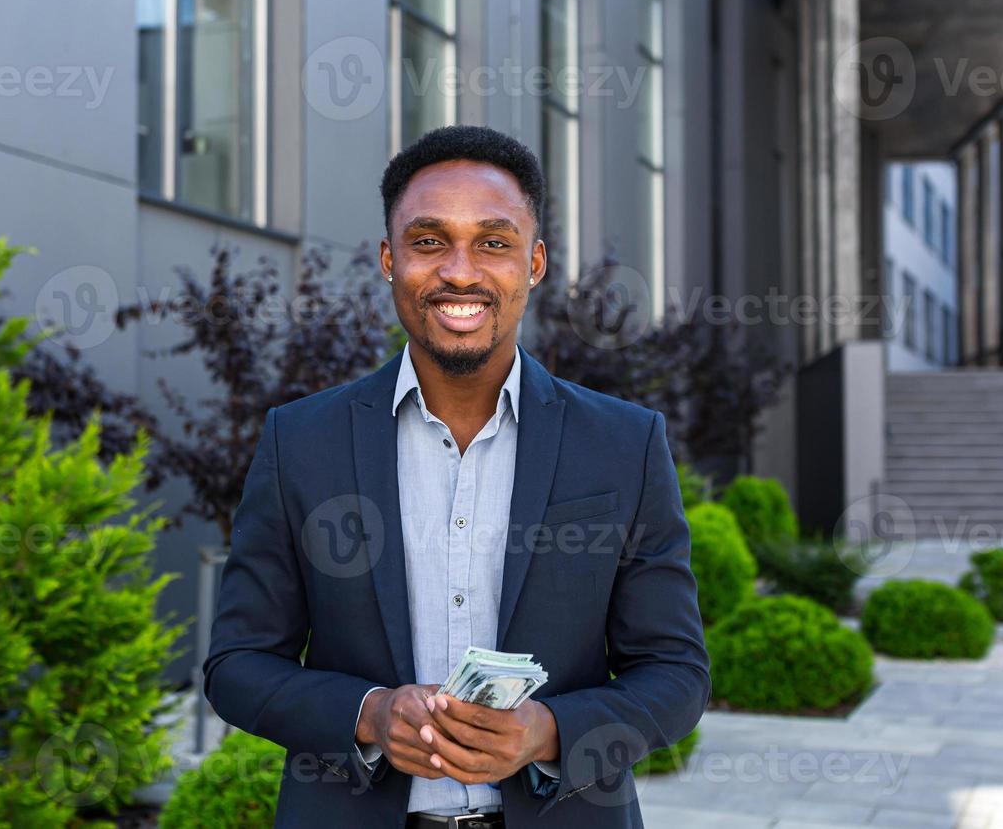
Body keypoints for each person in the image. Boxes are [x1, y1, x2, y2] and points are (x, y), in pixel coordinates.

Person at [204, 125, 708, 828]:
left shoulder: (625, 444)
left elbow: (677, 674)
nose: (461, 272)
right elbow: (237, 664)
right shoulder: (301, 441)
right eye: (430, 241)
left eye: (494, 243)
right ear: (389, 258)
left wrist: (548, 731)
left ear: (533, 264)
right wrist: (369, 715)